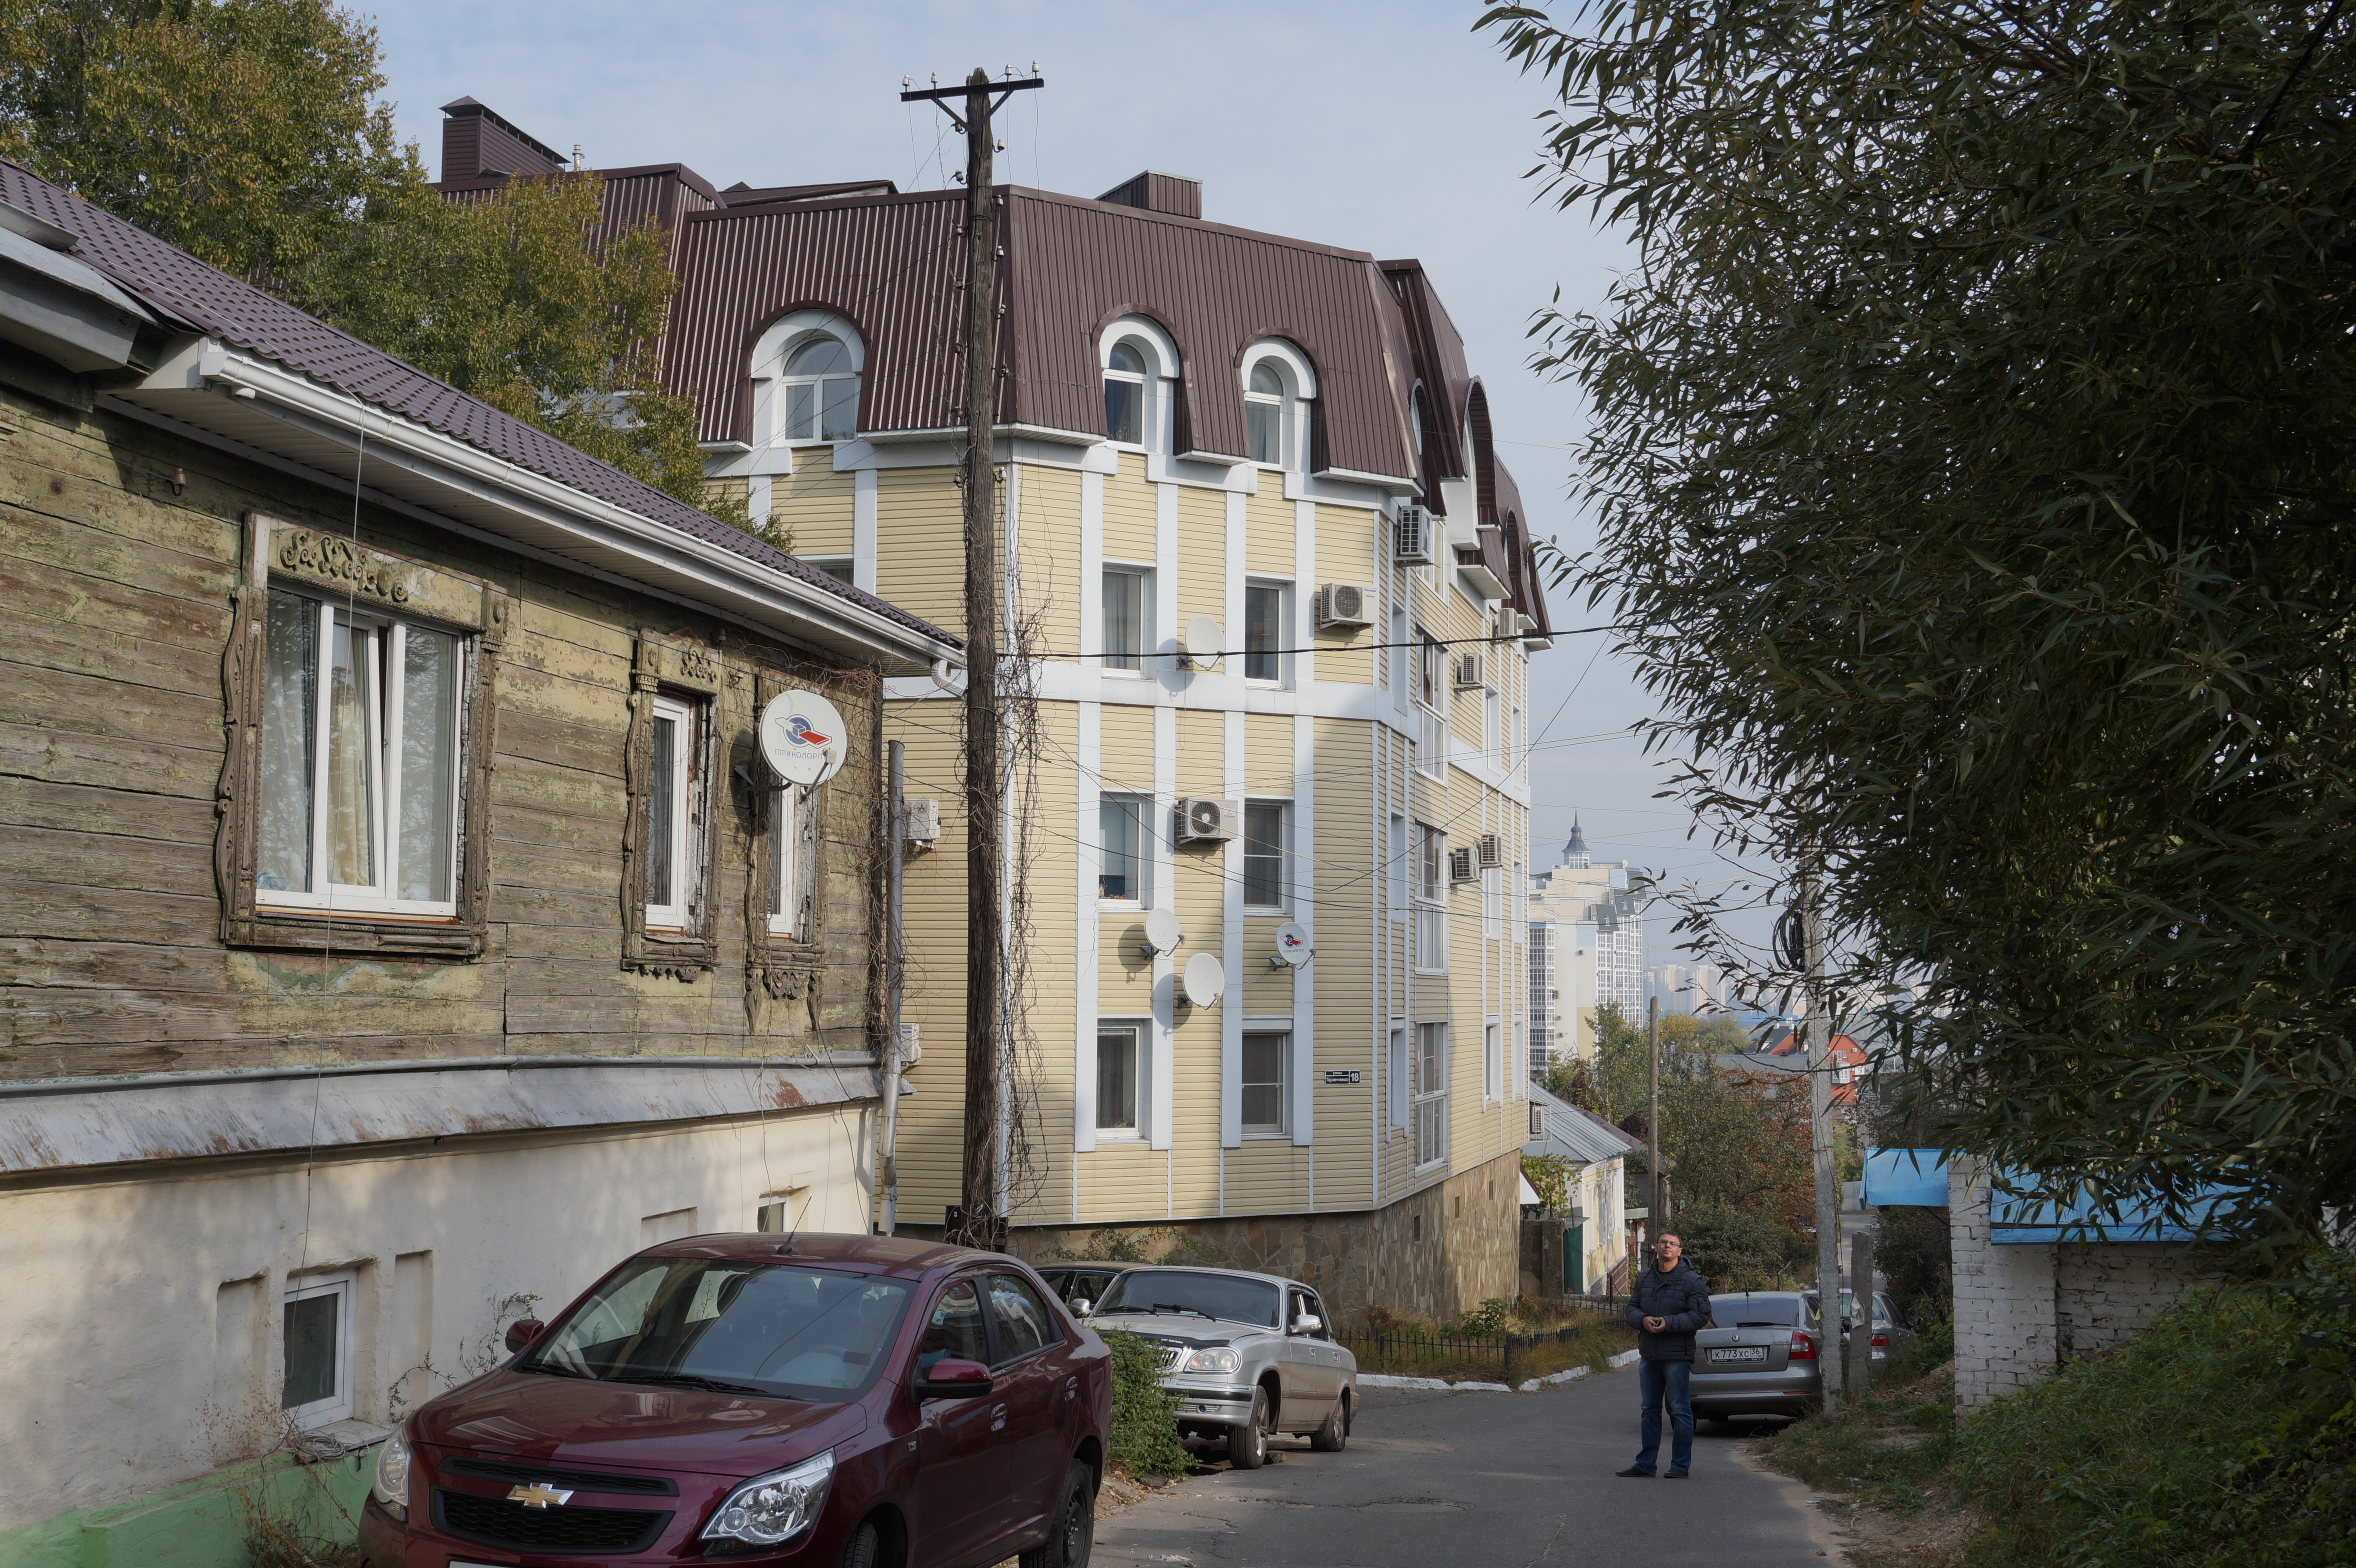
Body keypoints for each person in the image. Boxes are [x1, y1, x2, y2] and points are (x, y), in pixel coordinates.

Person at [1617, 1232, 1711, 1478]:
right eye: (1663, 1242)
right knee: (1649, 1409)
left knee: (1680, 1410)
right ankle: (1646, 1465)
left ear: (1680, 1251)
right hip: (1650, 1354)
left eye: (1673, 1244)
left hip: (1677, 1356)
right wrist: (1642, 1320)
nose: (1667, 1246)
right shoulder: (1645, 1278)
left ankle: (1680, 1465)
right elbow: (1632, 1309)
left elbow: (1701, 1316)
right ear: (1656, 1247)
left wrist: (1669, 1323)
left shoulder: (1692, 1281)